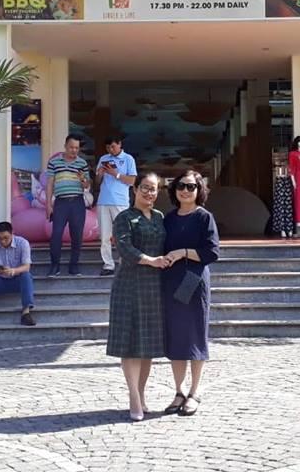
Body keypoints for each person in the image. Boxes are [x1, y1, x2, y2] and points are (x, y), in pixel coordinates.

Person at [106, 172, 169, 422]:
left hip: (154, 286)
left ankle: (142, 394)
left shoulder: (160, 217)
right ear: (135, 190)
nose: (149, 193)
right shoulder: (124, 218)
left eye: (154, 189)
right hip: (129, 284)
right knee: (131, 342)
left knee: (147, 345)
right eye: (145, 188)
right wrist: (151, 260)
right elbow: (125, 248)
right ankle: (133, 396)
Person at [161, 170, 220, 417]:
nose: (185, 190)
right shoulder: (168, 218)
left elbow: (212, 252)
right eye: (181, 186)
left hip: (194, 281)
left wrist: (183, 252)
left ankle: (194, 392)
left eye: (191, 186)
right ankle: (179, 391)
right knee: (175, 336)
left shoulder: (204, 217)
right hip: (171, 281)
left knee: (195, 335)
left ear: (199, 190)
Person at [46, 134, 91, 276]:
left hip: (77, 202)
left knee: (77, 235)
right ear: (65, 146)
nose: (74, 150)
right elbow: (50, 184)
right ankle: (55, 266)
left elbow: (87, 185)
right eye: (71, 147)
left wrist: (83, 180)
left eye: (77, 148)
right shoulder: (54, 162)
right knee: (56, 234)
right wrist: (48, 204)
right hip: (60, 202)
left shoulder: (82, 163)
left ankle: (74, 266)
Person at [0, 221, 36, 327]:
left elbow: (26, 266)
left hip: (17, 280)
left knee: (26, 276)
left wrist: (13, 271)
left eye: (6, 238)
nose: (2, 241)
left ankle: (26, 313)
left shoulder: (23, 243)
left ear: (12, 233)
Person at [95, 135, 137, 276]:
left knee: (123, 234)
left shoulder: (128, 159)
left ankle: (124, 262)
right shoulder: (103, 158)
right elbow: (97, 182)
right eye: (108, 147)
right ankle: (108, 265)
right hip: (103, 201)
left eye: (113, 146)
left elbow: (132, 181)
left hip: (120, 201)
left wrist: (116, 174)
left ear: (119, 144)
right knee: (104, 236)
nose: (110, 150)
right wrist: (100, 174)